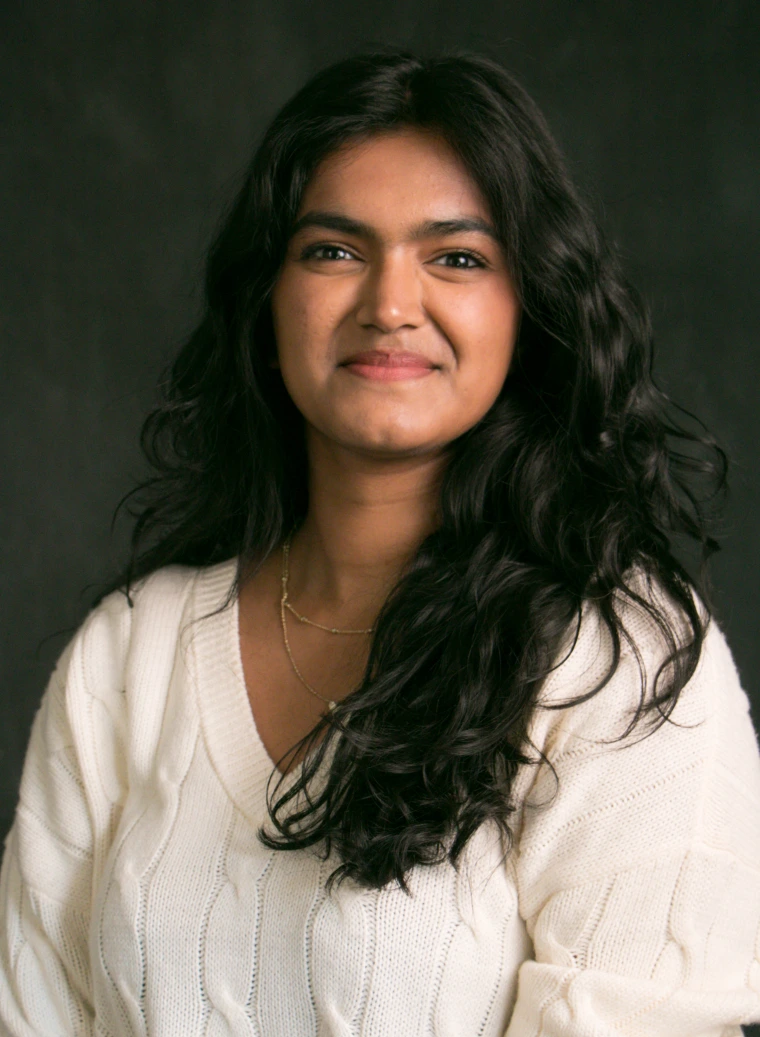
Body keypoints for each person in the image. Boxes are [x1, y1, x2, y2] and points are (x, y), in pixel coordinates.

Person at [1, 50, 758, 1037]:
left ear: (527, 308)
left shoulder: (617, 658)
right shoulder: (130, 652)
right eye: (333, 250)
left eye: (456, 257)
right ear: (266, 298)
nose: (389, 304)